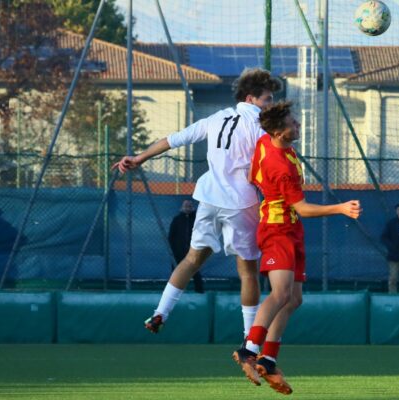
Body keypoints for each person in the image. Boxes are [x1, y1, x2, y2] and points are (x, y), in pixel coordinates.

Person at [112, 68, 282, 338]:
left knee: (191, 259)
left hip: (209, 198)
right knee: (248, 272)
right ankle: (251, 339)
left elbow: (173, 139)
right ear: (251, 99)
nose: (271, 104)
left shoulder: (216, 118)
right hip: (241, 202)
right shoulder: (260, 126)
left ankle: (160, 313)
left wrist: (140, 157)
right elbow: (267, 165)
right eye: (267, 99)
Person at [232, 101, 362, 394]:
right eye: (293, 123)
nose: (298, 126)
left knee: (293, 300)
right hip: (278, 230)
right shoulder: (279, 166)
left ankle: (268, 358)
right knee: (279, 294)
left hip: (290, 231)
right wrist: (340, 207)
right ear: (279, 132)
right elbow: (302, 208)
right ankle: (249, 349)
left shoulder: (267, 141)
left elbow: (256, 172)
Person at [168, 199, 204, 293]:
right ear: (182, 208)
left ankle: (199, 291)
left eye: (189, 206)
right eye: (186, 206)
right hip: (178, 252)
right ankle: (174, 292)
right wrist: (174, 249)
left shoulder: (196, 219)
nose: (187, 208)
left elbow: (201, 233)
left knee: (195, 271)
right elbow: (171, 236)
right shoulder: (177, 219)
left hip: (192, 251)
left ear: (192, 207)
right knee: (176, 273)